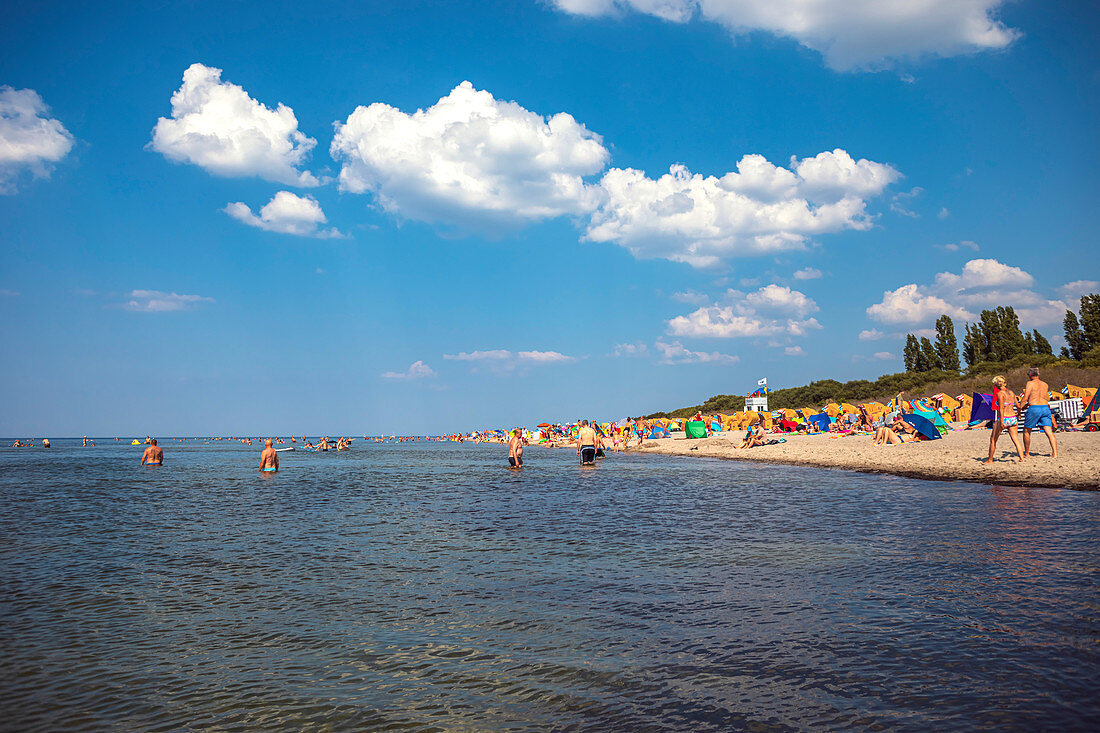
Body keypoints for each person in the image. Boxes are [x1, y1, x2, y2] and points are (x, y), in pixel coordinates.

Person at [985, 376, 1025, 464]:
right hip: (1013, 418)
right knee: (1016, 439)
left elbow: (1001, 408)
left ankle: (990, 460)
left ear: (996, 384)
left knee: (993, 439)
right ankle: (1022, 458)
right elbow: (1018, 406)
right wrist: (1019, 413)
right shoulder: (1011, 392)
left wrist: (1002, 421)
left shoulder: (1000, 394)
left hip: (1004, 418)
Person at [1020, 367, 1058, 459]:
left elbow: (1026, 397)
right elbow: (1044, 397)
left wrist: (1019, 408)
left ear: (1029, 375)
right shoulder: (1045, 384)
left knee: (1027, 431)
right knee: (1049, 431)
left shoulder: (1030, 383)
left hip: (1034, 408)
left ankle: (1027, 453)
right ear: (1038, 374)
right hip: (1045, 407)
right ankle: (1055, 453)